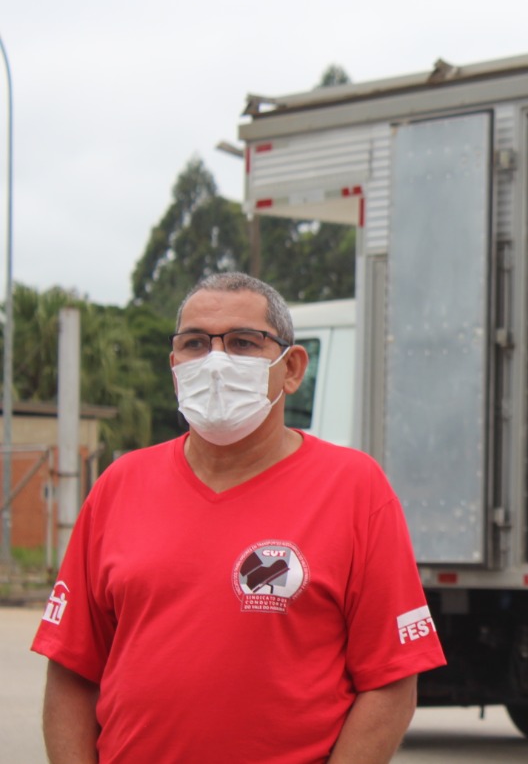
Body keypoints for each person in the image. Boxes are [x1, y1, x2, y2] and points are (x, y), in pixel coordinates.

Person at [32, 272, 445, 764]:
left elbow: (391, 683)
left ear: (291, 368)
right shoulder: (119, 487)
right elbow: (72, 673)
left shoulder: (355, 489)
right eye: (195, 344)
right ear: (174, 366)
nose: (216, 362)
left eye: (244, 343)